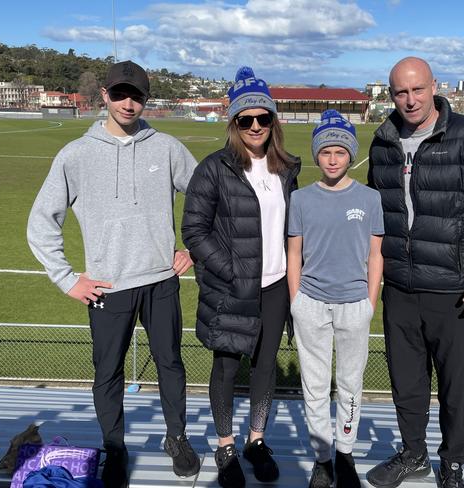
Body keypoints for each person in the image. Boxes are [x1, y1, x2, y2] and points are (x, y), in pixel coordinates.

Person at [27, 60, 200, 488]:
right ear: (104, 95)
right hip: (106, 288)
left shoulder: (167, 148)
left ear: (146, 100)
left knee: (171, 364)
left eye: (137, 95)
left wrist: (193, 248)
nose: (128, 102)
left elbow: (206, 197)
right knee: (108, 373)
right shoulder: (76, 155)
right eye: (120, 94)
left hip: (160, 281)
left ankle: (176, 438)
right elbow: (40, 221)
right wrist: (68, 279)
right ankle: (116, 449)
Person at [365, 57, 464, 488]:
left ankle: (452, 462)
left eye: (417, 89)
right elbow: (374, 217)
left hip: (456, 291)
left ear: (434, 86)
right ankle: (413, 453)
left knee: (456, 390)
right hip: (400, 288)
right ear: (390, 94)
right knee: (407, 384)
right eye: (400, 92)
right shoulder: (383, 141)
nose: (410, 100)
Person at [181, 66, 300, 488]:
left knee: (265, 368)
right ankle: (226, 444)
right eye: (245, 119)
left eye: (262, 118)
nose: (254, 126)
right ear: (234, 123)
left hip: (275, 287)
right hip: (232, 288)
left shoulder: (286, 169)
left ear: (272, 121)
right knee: (227, 368)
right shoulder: (214, 168)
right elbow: (193, 231)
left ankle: (256, 441)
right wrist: (232, 271)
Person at [287, 110, 384, 488]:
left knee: (349, 383)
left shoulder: (370, 198)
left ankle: (345, 452)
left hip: (354, 306)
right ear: (316, 155)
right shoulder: (301, 199)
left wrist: (370, 302)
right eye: (325, 152)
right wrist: (297, 300)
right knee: (314, 386)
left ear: (350, 156)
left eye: (340, 153)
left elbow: (376, 254)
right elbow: (293, 253)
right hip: (311, 305)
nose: (332, 159)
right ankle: (322, 458)